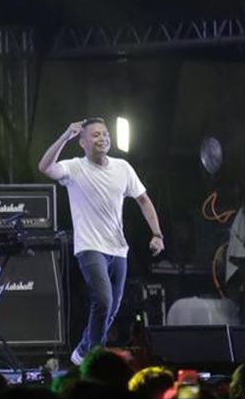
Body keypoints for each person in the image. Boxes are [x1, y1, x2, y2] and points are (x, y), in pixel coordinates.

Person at [38, 117, 164, 366]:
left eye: (105, 134)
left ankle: (83, 352)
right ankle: (92, 359)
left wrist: (157, 234)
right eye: (95, 135)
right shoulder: (74, 167)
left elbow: (143, 200)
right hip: (90, 247)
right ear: (82, 142)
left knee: (111, 309)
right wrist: (65, 136)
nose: (103, 138)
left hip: (118, 249)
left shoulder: (123, 168)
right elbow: (44, 166)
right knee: (103, 300)